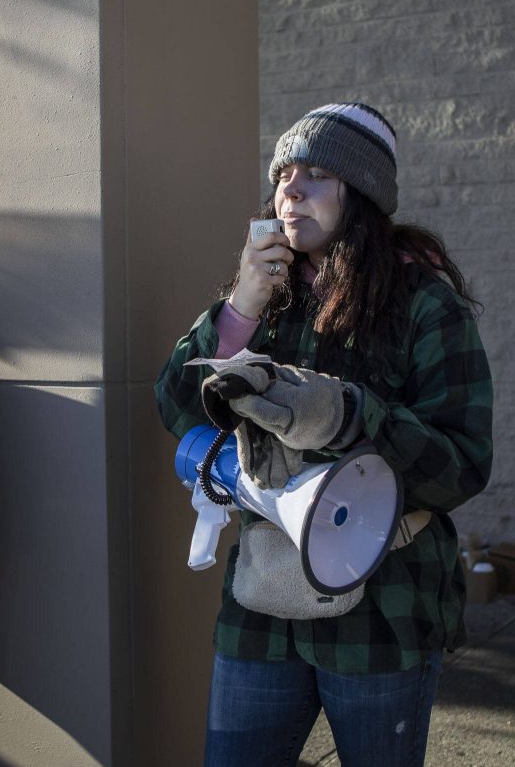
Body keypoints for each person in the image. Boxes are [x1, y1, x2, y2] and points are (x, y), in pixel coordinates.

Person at [154, 103, 493, 766]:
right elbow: (174, 405)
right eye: (283, 174)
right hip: (262, 606)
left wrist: (352, 416)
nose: (290, 189)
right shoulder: (263, 293)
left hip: (382, 615)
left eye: (315, 174)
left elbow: (464, 463)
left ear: (362, 193)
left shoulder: (425, 304)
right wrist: (239, 308)